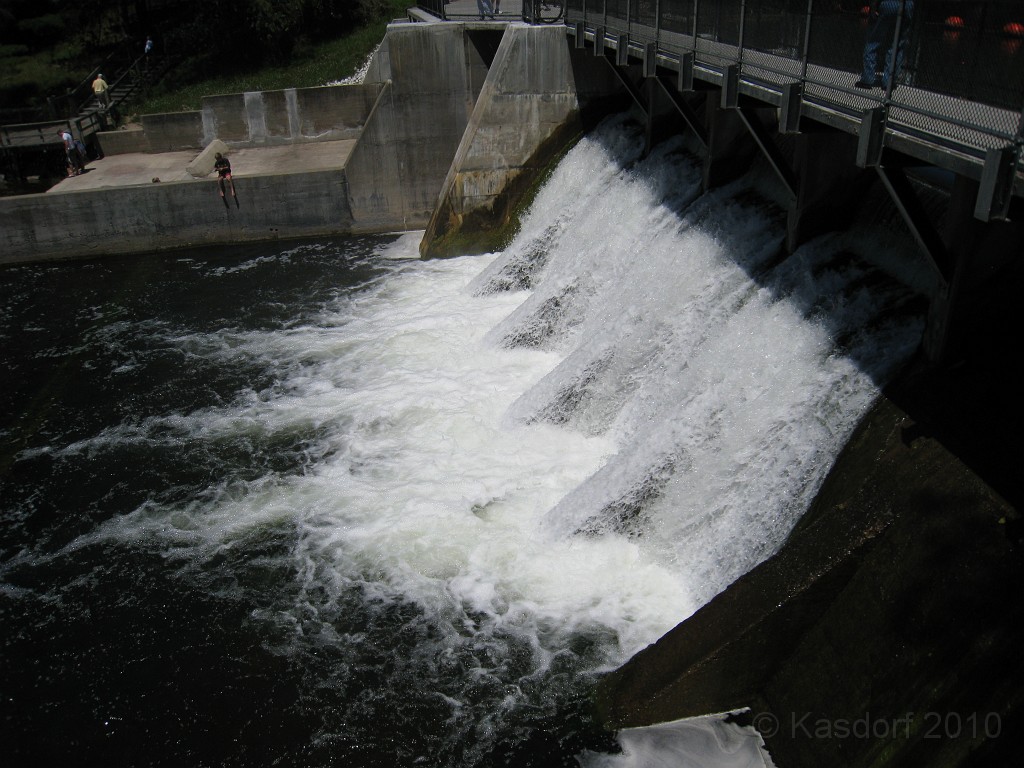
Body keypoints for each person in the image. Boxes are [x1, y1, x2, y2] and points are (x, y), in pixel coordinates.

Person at [855, 0, 915, 89]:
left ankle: (867, 79)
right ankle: (889, 81)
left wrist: (873, 7)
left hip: (889, 3)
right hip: (907, 4)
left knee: (873, 40)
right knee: (897, 44)